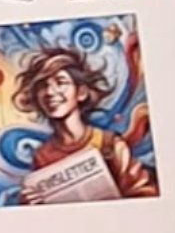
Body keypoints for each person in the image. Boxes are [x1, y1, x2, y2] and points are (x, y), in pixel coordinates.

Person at [11, 47, 157, 200]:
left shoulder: (109, 144)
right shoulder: (42, 156)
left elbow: (143, 194)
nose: (50, 92)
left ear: (81, 92)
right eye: (42, 85)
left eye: (61, 82)